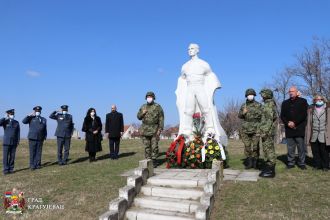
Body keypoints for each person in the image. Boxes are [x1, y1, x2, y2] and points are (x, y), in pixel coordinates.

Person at [176, 43, 227, 146]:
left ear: (197, 50)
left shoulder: (204, 64)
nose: (190, 50)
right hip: (190, 88)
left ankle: (210, 129)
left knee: (206, 109)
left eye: (192, 48)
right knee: (188, 110)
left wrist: (214, 87)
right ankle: (187, 130)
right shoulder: (185, 66)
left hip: (200, 87)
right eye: (189, 49)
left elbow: (210, 75)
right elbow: (182, 79)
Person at [280, 86, 308, 169]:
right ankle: (291, 163)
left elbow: (304, 114)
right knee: (290, 147)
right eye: (290, 91)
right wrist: (287, 123)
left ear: (297, 92)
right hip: (289, 129)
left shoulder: (303, 101)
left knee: (301, 147)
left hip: (299, 128)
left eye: (293, 91)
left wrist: (294, 122)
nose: (291, 93)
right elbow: (282, 115)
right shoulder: (285, 103)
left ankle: (301, 163)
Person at [137, 91, 164, 167]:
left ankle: (154, 160)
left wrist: (160, 129)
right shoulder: (143, 107)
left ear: (153, 98)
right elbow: (138, 117)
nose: (149, 98)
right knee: (147, 146)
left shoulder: (158, 106)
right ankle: (148, 160)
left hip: (155, 129)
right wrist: (142, 113)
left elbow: (161, 118)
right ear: (146, 98)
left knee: (154, 146)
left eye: (150, 97)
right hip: (145, 129)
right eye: (148, 97)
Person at [238, 88, 262, 169]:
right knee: (247, 146)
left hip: (256, 128)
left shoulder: (259, 105)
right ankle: (249, 163)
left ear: (254, 95)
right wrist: (243, 113)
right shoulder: (243, 105)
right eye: (248, 95)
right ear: (246, 96)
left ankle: (256, 162)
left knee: (255, 146)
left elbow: (263, 116)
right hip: (246, 128)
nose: (250, 96)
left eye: (251, 94)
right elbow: (239, 116)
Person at [305, 95, 330, 171]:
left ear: (323, 100)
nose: (319, 101)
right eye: (317, 99)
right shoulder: (311, 109)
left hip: (324, 134)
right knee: (315, 151)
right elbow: (309, 123)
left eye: (321, 99)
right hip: (314, 134)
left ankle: (325, 166)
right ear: (314, 100)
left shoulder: (327, 109)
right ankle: (317, 165)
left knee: (324, 151)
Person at [258, 89, 278, 178]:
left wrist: (264, 131)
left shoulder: (269, 104)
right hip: (267, 131)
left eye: (262, 94)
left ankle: (271, 170)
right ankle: (269, 167)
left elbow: (269, 119)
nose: (261, 96)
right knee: (267, 149)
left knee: (268, 149)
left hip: (267, 132)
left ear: (266, 95)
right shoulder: (267, 103)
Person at [22, 106, 47, 170]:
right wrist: (28, 115)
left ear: (40, 111)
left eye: (38, 111)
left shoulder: (44, 119)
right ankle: (32, 165)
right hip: (32, 137)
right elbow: (24, 121)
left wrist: (45, 136)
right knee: (32, 152)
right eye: (36, 111)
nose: (37, 112)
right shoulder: (31, 118)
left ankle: (38, 164)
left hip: (40, 138)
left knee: (39, 152)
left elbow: (45, 129)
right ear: (34, 111)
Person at [0, 109, 20, 175]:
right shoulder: (5, 121)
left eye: (13, 114)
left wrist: (18, 141)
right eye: (11, 114)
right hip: (6, 142)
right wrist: (4, 117)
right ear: (8, 114)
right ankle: (6, 169)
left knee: (12, 156)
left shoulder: (16, 122)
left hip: (14, 142)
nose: (12, 115)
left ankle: (11, 169)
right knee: (5, 156)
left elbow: (18, 133)